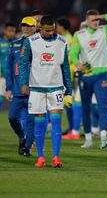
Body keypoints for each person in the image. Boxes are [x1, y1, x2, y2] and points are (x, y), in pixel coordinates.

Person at [19, 15, 73, 168]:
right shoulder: (31, 42)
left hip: (56, 86)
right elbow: (23, 63)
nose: (51, 33)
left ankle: (56, 157)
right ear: (40, 28)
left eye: (53, 30)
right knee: (40, 122)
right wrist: (24, 82)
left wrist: (68, 90)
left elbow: (66, 68)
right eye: (48, 31)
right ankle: (41, 157)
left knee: (56, 120)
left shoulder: (62, 42)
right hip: (36, 87)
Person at [70, 9, 107, 149]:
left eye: (98, 19)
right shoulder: (79, 35)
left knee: (102, 106)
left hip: (102, 75)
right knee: (86, 107)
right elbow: (73, 53)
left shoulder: (105, 31)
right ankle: (88, 139)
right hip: (86, 76)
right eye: (93, 20)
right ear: (86, 21)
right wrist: (77, 63)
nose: (96, 22)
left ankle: (104, 138)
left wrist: (106, 15)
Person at [6, 17, 36, 157]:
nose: (26, 28)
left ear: (35, 27)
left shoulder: (39, 44)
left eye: (29, 26)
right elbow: (9, 68)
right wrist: (8, 88)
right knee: (12, 117)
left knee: (31, 120)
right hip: (18, 90)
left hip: (34, 89)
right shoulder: (14, 45)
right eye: (24, 26)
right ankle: (22, 136)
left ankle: (27, 147)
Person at [0, 22, 16, 111]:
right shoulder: (0, 42)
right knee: (0, 96)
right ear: (5, 31)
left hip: (15, 76)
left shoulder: (17, 42)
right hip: (2, 74)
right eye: (9, 31)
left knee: (15, 99)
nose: (11, 33)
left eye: (13, 31)